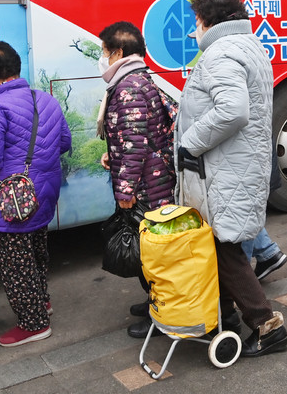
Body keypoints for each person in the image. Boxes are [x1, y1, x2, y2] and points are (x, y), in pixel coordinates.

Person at [176, 0, 287, 357]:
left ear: (208, 19)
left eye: (195, 21)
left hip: (225, 168)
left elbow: (233, 111)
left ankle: (266, 325)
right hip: (235, 165)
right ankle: (225, 320)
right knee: (220, 244)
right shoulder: (246, 45)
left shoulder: (221, 53)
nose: (194, 29)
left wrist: (189, 142)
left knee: (224, 248)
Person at [0, 41, 73, 347]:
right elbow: (65, 143)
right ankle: (41, 303)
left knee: (16, 261)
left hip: (14, 197)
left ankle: (33, 324)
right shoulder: (46, 99)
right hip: (45, 190)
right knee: (37, 250)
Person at [95, 22, 176, 339]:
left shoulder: (128, 88)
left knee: (153, 252)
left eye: (104, 51)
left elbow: (136, 144)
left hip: (146, 186)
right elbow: (133, 139)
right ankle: (154, 301)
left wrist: (125, 189)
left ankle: (163, 314)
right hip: (150, 179)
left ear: (118, 52)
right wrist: (112, 157)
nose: (102, 58)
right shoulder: (137, 80)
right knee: (152, 249)